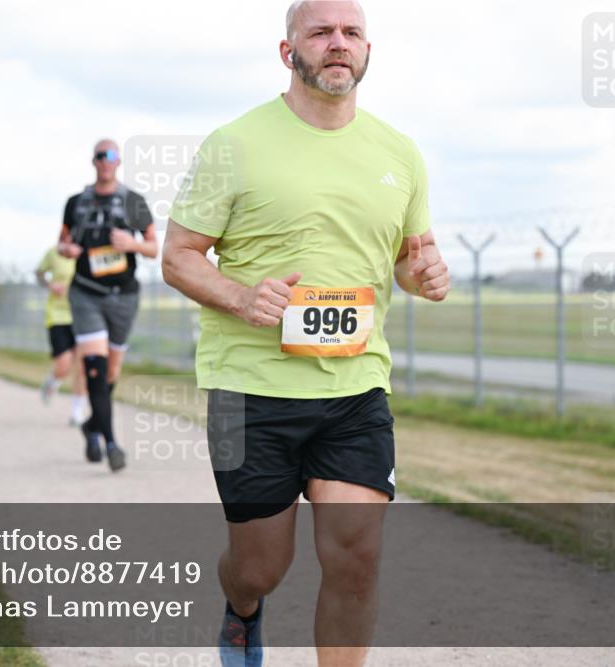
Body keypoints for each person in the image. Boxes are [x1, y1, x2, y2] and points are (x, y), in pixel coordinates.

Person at [161, 2, 451, 666]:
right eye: (321, 32)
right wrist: (242, 295)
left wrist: (425, 272)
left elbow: (411, 256)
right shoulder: (233, 144)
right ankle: (241, 609)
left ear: (369, 50)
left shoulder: (399, 153)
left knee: (357, 551)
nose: (338, 44)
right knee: (260, 565)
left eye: (351, 33)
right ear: (288, 51)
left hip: (355, 387)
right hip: (247, 388)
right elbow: (178, 256)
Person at [57, 139, 157, 472]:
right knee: (95, 368)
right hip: (86, 292)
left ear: (118, 162)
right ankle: (111, 443)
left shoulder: (133, 202)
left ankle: (91, 425)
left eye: (111, 156)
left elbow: (154, 247)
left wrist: (132, 244)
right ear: (93, 161)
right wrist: (67, 251)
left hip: (124, 294)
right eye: (100, 156)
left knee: (112, 371)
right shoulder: (75, 203)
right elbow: (63, 242)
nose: (105, 161)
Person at [36, 244, 87, 426]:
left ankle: (77, 412)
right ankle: (53, 381)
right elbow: (39, 274)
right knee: (64, 364)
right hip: (57, 315)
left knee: (82, 365)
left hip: (83, 314)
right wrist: (51, 285)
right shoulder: (53, 252)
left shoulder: (87, 250)